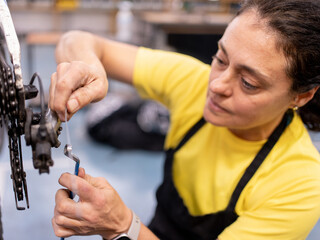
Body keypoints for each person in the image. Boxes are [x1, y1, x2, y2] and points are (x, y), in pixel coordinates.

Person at [49, 0, 320, 239]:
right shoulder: (194, 83)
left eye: (248, 83)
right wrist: (88, 67)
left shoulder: (299, 184)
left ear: (302, 96)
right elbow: (75, 40)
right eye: (221, 58)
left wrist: (123, 226)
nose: (216, 86)